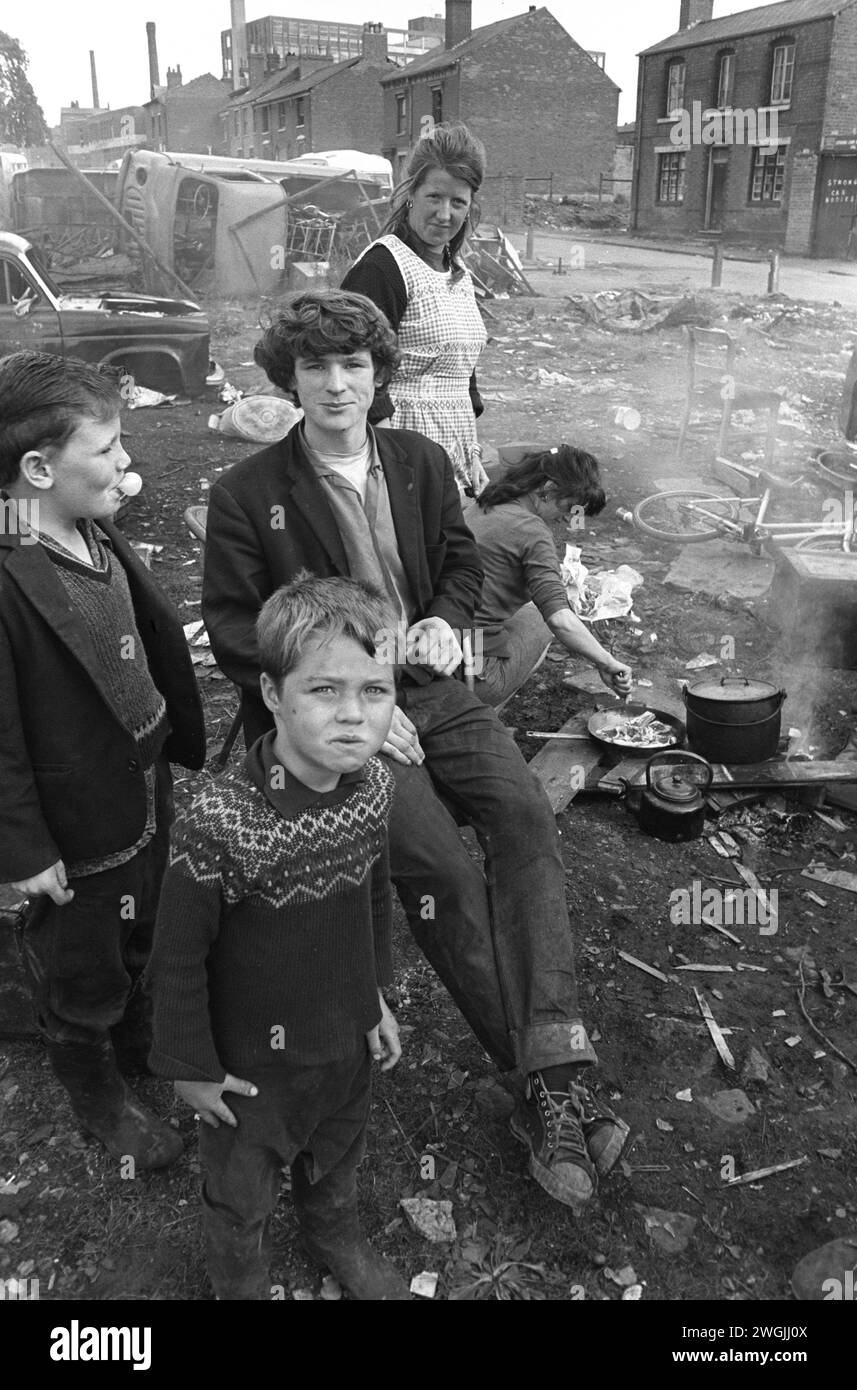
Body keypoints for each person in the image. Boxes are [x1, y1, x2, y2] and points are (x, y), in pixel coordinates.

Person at [202, 289, 629, 1215]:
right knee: (438, 869)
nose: (334, 384)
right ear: (287, 381)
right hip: (349, 715)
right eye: (313, 368)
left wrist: (441, 618)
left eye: (352, 365)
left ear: (379, 375)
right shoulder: (247, 495)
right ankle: (550, 1089)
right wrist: (349, 692)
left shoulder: (421, 460)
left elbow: (464, 564)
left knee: (521, 818)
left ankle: (548, 1068)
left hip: (439, 689)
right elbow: (235, 631)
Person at [147, 574, 407, 1301]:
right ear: (272, 694)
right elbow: (175, 953)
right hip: (249, 1068)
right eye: (323, 691)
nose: (353, 717)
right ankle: (241, 1281)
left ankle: (334, 1237)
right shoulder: (223, 823)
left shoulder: (375, 788)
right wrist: (188, 1064)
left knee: (337, 1156)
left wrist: (376, 998)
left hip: (343, 1043)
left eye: (376, 692)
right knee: (241, 1192)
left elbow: (373, 900)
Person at [0, 350, 206, 1171]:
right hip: (73, 819)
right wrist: (22, 847)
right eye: (110, 449)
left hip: (141, 781)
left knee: (145, 922)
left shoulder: (88, 525)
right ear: (39, 467)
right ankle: (97, 1092)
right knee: (82, 963)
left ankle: (138, 1035)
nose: (128, 465)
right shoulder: (8, 575)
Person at [341, 122, 489, 497]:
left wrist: (471, 452)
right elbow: (348, 360)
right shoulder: (383, 268)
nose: (445, 214)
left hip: (452, 450)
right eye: (434, 197)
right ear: (411, 195)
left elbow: (462, 372)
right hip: (399, 446)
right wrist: (391, 451)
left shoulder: (459, 275)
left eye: (458, 202)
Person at [462, 445, 634, 707]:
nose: (567, 518)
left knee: (529, 611)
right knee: (540, 619)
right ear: (549, 489)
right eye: (568, 507)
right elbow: (560, 620)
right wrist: (606, 662)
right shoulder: (533, 530)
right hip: (472, 673)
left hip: (435, 650)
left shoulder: (485, 503)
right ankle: (483, 711)